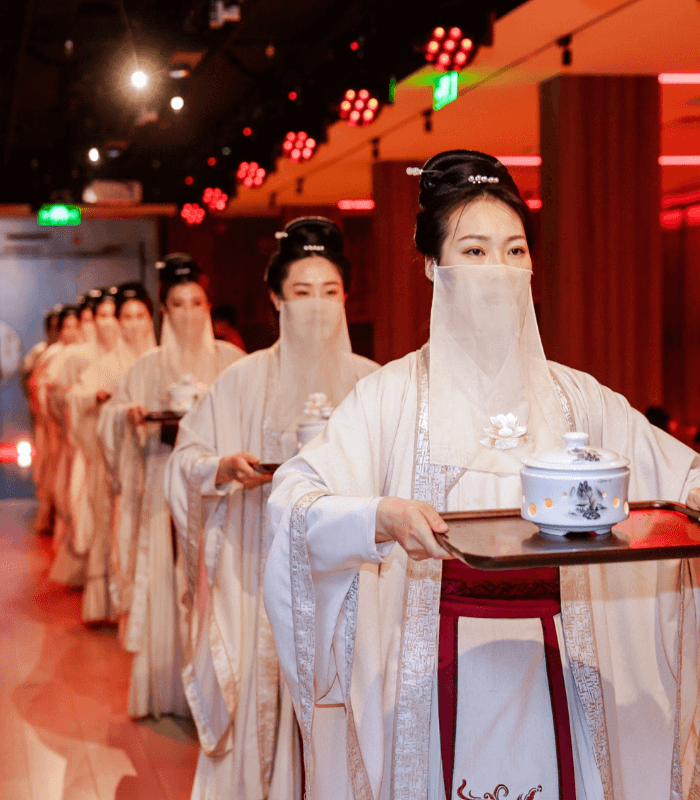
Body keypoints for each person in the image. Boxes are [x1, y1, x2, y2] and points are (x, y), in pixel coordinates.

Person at [264, 151, 700, 800]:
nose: (498, 269)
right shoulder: (390, 397)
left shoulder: (578, 399)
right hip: (434, 668)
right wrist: (378, 516)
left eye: (514, 250)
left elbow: (681, 479)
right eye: (474, 251)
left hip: (562, 659)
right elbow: (295, 499)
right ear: (432, 267)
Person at [164, 218, 379, 800]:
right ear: (276, 299)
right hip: (259, 573)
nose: (317, 305)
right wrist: (222, 467)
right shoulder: (240, 380)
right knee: (267, 698)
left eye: (330, 291)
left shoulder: (375, 384)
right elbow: (184, 459)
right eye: (302, 292)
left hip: (353, 583)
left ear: (346, 297)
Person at [98, 255, 244, 719]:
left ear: (208, 306)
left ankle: (218, 693)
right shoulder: (147, 365)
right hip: (164, 482)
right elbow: (110, 417)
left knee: (216, 584)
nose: (187, 313)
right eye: (177, 304)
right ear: (164, 311)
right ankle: (166, 690)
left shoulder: (233, 361)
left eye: (196, 303)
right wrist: (127, 416)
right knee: (165, 579)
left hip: (220, 487)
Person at [67, 282, 156, 623]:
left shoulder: (161, 361)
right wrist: (102, 400)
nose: (133, 323)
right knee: (111, 528)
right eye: (126, 317)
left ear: (151, 319)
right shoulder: (105, 364)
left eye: (140, 316)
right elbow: (77, 399)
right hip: (113, 462)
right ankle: (111, 604)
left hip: (156, 459)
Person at [48, 287, 121, 587]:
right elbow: (56, 401)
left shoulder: (128, 357)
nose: (104, 323)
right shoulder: (72, 357)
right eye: (96, 317)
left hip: (119, 450)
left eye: (111, 315)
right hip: (84, 445)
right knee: (84, 509)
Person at [29, 305, 81, 534]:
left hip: (76, 425)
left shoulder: (86, 353)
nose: (72, 331)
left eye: (76, 326)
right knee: (53, 468)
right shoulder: (51, 354)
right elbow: (37, 386)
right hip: (54, 423)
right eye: (66, 326)